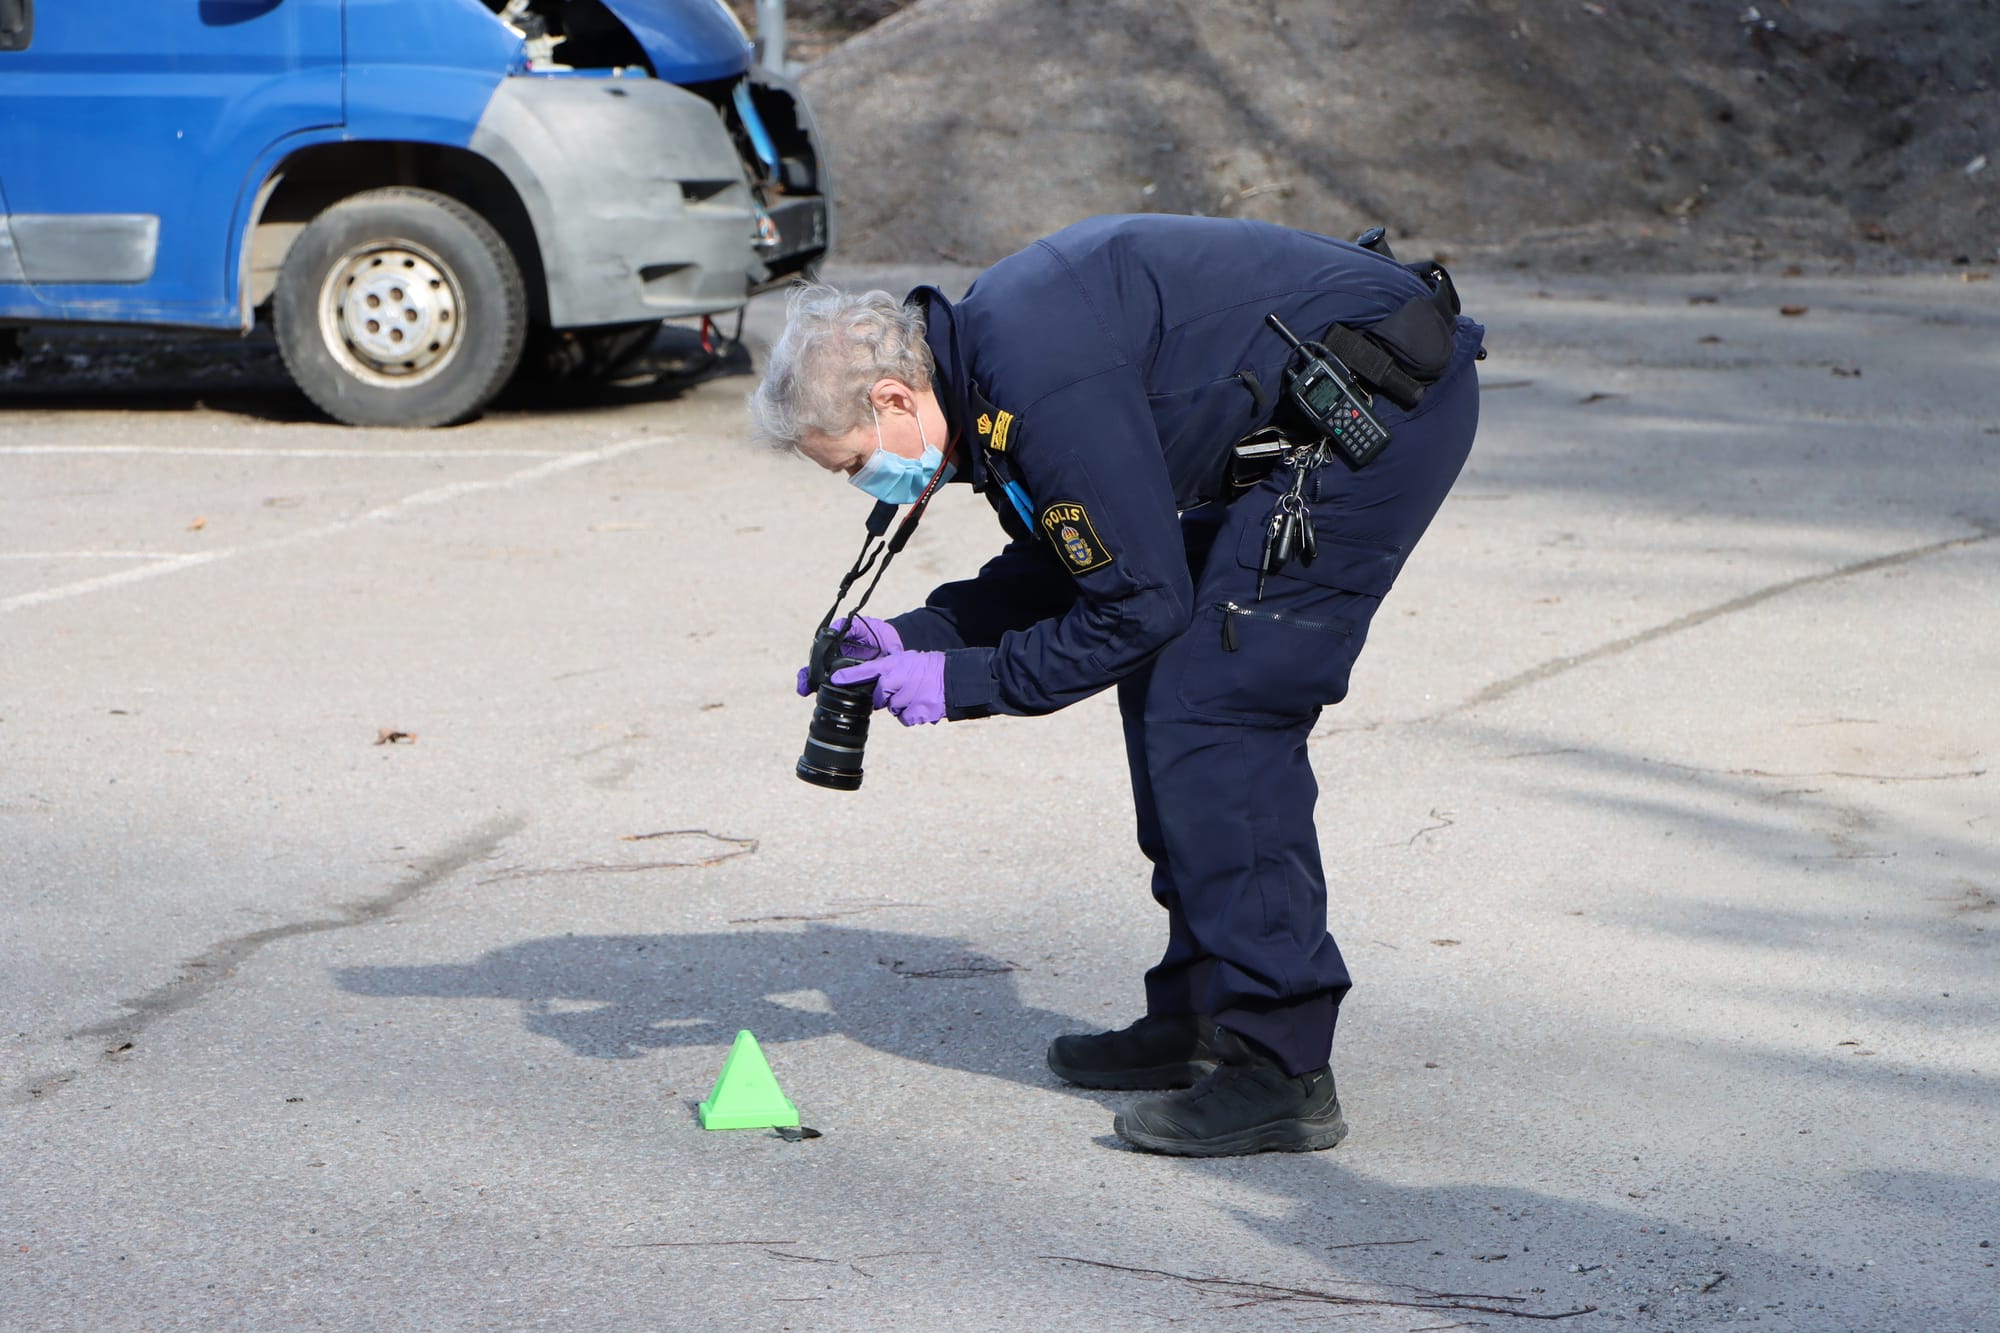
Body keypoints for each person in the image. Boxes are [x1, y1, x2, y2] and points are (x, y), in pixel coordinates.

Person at [748, 214, 1484, 1156]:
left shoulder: (1039, 384)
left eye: (855, 462)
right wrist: (908, 636)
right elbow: (1076, 564)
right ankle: (1202, 1013)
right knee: (1172, 686)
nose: (866, 484)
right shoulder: (987, 375)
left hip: (1378, 404)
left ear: (893, 397)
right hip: (1309, 407)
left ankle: (1281, 1065)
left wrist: (960, 681)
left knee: (1219, 704)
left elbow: (1138, 606)